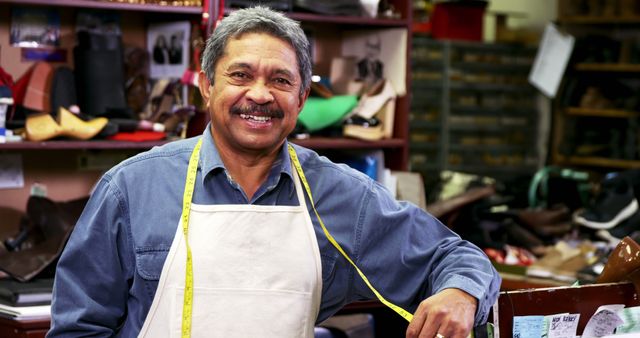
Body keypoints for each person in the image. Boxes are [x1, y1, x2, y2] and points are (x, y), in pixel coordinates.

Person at [48, 6, 500, 338]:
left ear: (301, 99)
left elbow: (457, 256)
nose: (260, 95)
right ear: (207, 87)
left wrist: (461, 293)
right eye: (240, 75)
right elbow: (77, 330)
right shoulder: (131, 188)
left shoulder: (340, 195)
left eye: (281, 81)